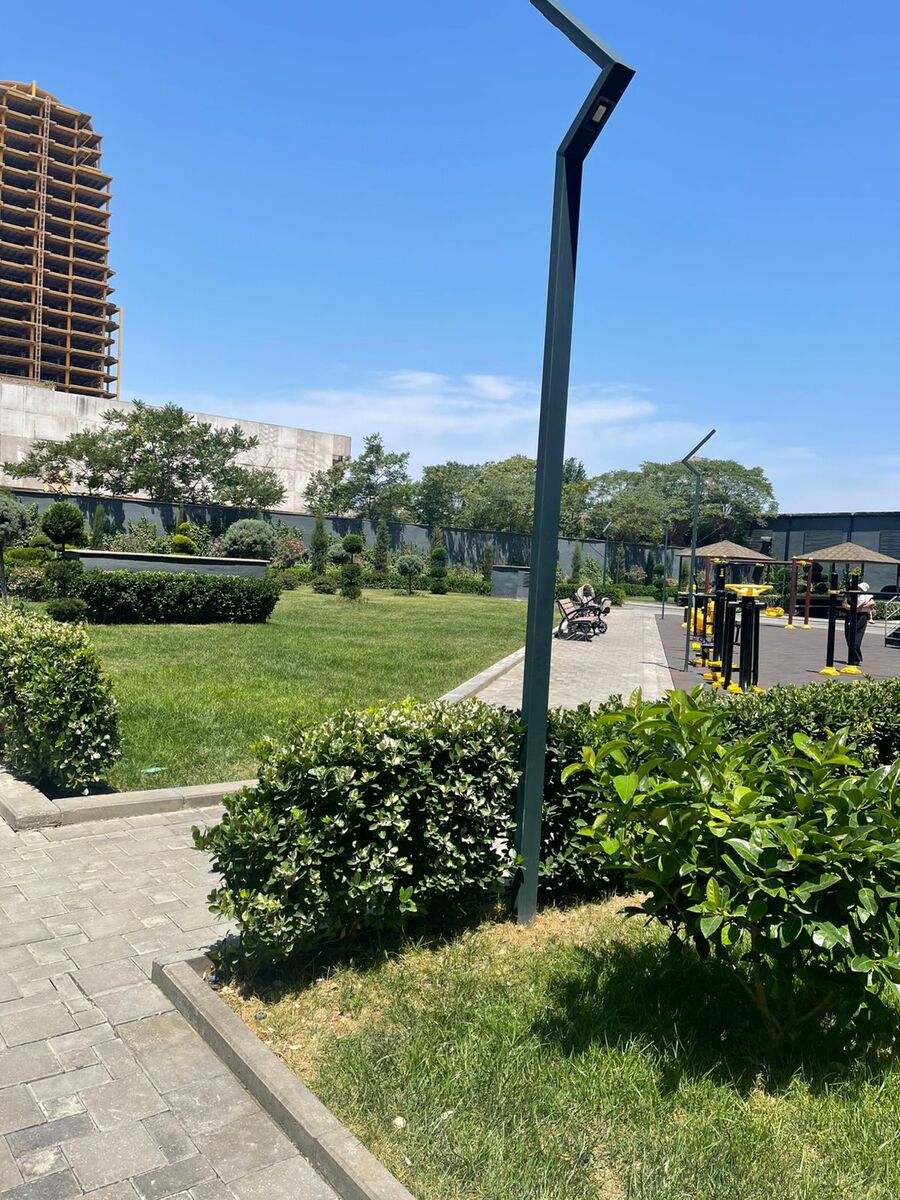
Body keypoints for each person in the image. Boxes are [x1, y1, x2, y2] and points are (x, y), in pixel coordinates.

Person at [843, 580, 876, 665]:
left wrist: (862, 607)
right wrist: (852, 608)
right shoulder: (848, 594)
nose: (852, 585)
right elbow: (844, 604)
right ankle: (854, 657)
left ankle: (855, 659)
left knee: (856, 637)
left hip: (861, 616)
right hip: (850, 615)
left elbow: (872, 602)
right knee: (848, 636)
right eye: (850, 583)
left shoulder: (864, 594)